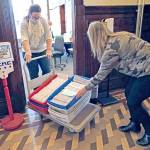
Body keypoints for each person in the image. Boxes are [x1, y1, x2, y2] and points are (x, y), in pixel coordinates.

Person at [76, 21, 150, 146]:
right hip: (142, 69)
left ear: (94, 37)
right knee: (128, 92)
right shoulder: (120, 35)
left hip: (147, 71)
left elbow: (100, 76)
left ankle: (149, 132)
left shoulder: (109, 51)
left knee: (133, 101)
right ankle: (135, 123)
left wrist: (85, 88)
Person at [21, 4, 52, 79]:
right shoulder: (25, 22)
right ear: (30, 13)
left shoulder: (43, 20)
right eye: (34, 16)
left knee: (47, 71)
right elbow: (25, 38)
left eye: (38, 16)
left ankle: (46, 87)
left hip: (42, 50)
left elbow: (48, 36)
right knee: (34, 74)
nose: (36, 18)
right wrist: (28, 51)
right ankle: (37, 89)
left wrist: (49, 49)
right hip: (30, 52)